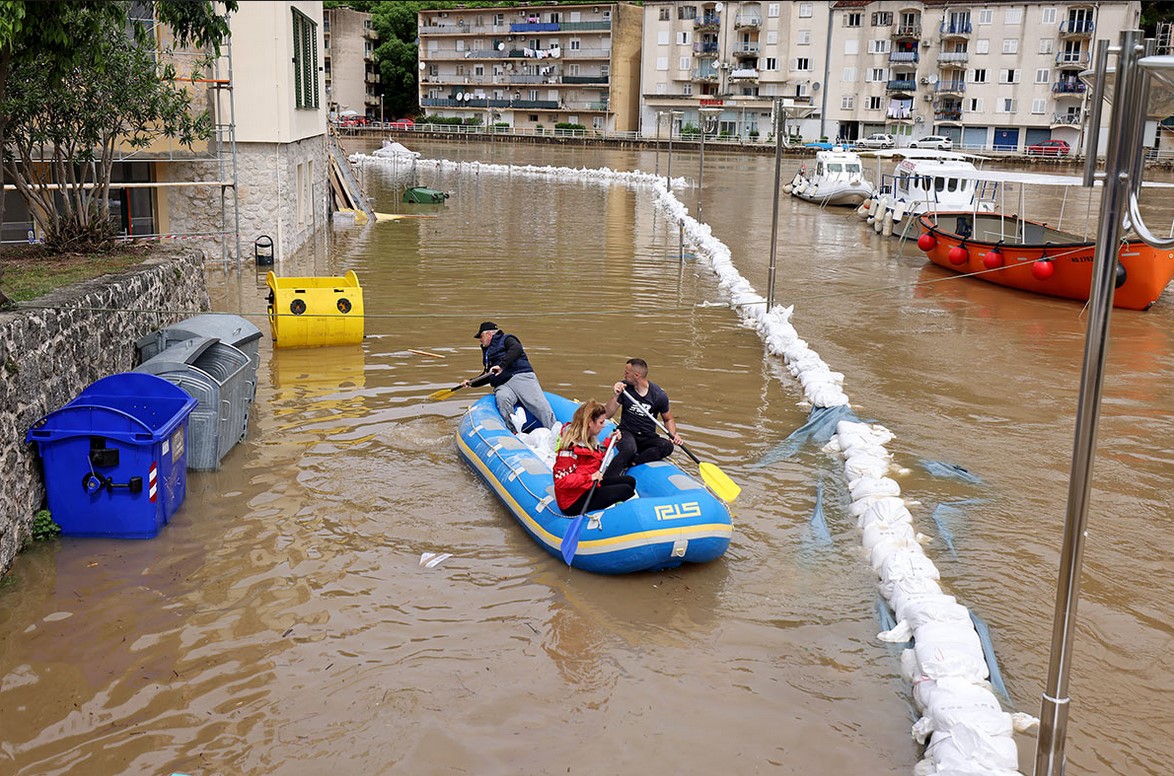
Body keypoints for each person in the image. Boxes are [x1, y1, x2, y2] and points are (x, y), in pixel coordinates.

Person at [463, 321, 557, 430]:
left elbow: (516, 349)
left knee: (539, 405)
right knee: (502, 398)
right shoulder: (487, 353)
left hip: (520, 377)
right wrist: (471, 382)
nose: (480, 339)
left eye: (481, 336)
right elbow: (488, 375)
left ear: (488, 334)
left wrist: (502, 366)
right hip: (503, 384)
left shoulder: (507, 339)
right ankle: (513, 431)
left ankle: (555, 430)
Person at [553, 400, 635, 514]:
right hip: (574, 500)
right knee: (625, 490)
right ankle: (617, 515)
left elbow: (595, 456)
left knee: (630, 481)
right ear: (590, 423)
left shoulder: (589, 439)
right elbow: (561, 481)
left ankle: (616, 510)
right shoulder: (569, 450)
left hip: (588, 485)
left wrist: (611, 440)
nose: (603, 426)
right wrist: (590, 477)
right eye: (601, 422)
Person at [603, 358, 681, 475]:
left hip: (647, 436)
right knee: (629, 449)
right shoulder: (624, 389)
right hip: (627, 432)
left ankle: (634, 462)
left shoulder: (658, 395)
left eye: (627, 373)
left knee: (667, 446)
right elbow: (607, 414)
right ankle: (608, 476)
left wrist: (672, 435)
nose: (624, 375)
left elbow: (668, 419)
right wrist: (615, 395)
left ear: (637, 375)